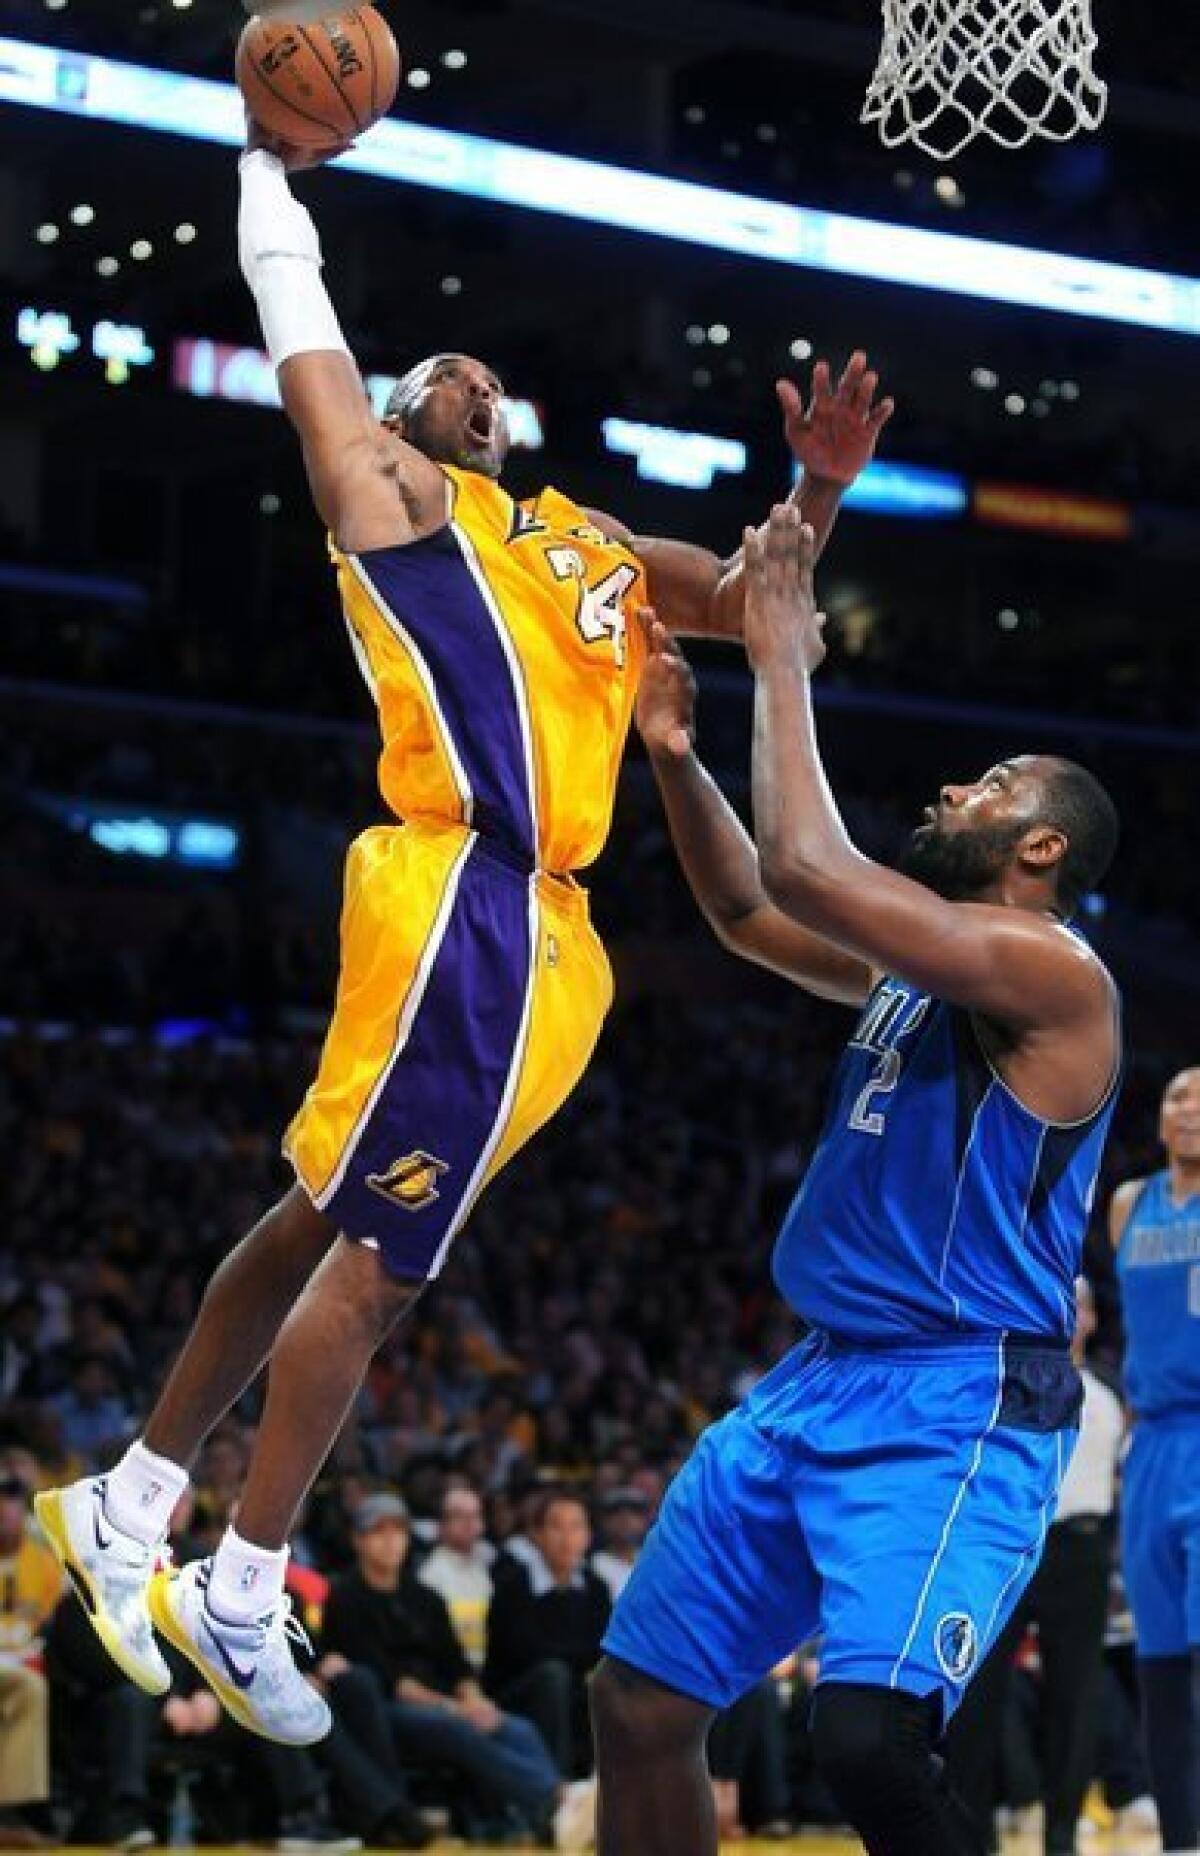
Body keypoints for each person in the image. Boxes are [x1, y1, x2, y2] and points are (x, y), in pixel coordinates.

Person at [34, 122, 893, 1749]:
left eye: (490, 381)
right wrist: (268, 194)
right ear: (409, 413)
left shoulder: (588, 546)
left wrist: (821, 490)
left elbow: (760, 592)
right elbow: (312, 374)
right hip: (464, 888)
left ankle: (130, 1499)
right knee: (380, 1266)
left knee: (319, 1220)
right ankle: (244, 1576)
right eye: (441, 373)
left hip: (558, 936)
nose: (470, 384)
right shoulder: (407, 511)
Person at [590, 507, 1123, 1856]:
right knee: (643, 1704)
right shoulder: (922, 971)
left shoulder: (1058, 978)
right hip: (819, 1378)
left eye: (989, 786)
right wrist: (673, 756)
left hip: (958, 1397)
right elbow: (749, 913)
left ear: (1042, 847)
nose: (952, 795)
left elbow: (809, 866)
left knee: (870, 1745)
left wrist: (780, 657)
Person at [943, 1276, 1126, 1855]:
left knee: (1074, 1700)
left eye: (1079, 1309)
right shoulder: (1001, 1388)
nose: (1070, 1317)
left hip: (1082, 1550)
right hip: (1009, 1547)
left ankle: (1062, 1837)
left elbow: (1116, 1484)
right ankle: (973, 1837)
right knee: (980, 1694)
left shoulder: (1109, 1397)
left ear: (1091, 1321)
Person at [317, 1494, 591, 1848]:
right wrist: (450, 1705)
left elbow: (455, 1663)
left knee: (515, 1727)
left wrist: (475, 1699)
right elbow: (384, 1675)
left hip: (442, 1701)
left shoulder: (426, 1597)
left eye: (398, 1532)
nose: (390, 1542)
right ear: (358, 1540)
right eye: (378, 1533)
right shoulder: (345, 1597)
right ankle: (560, 1798)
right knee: (456, 1728)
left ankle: (546, 1816)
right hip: (388, 1711)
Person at [1111, 1066, 1200, 1856]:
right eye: (1179, 1096)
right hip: (1152, 1447)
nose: (1192, 1108)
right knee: (1161, 1654)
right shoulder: (1127, 1205)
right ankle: (1181, 1841)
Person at [486, 1490, 611, 1779]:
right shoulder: (512, 1584)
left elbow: (603, 1647)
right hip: (518, 1689)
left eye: (576, 1526)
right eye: (556, 1526)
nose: (567, 1537)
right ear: (537, 1534)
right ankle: (554, 1787)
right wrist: (581, 1659)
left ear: (589, 1535)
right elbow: (524, 1652)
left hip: (577, 1684)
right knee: (553, 1676)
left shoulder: (596, 1587)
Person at [0, 1467, 63, 1850]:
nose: (2, 1506)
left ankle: (12, 1811)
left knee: (33, 1686)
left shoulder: (43, 1561)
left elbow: (58, 1625)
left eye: (10, 1497)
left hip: (26, 1662)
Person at [416, 1485, 494, 1671]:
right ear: (440, 1525)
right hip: (450, 1675)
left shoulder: (486, 1568)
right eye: (459, 1516)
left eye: (475, 1516)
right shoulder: (430, 1575)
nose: (469, 1523)